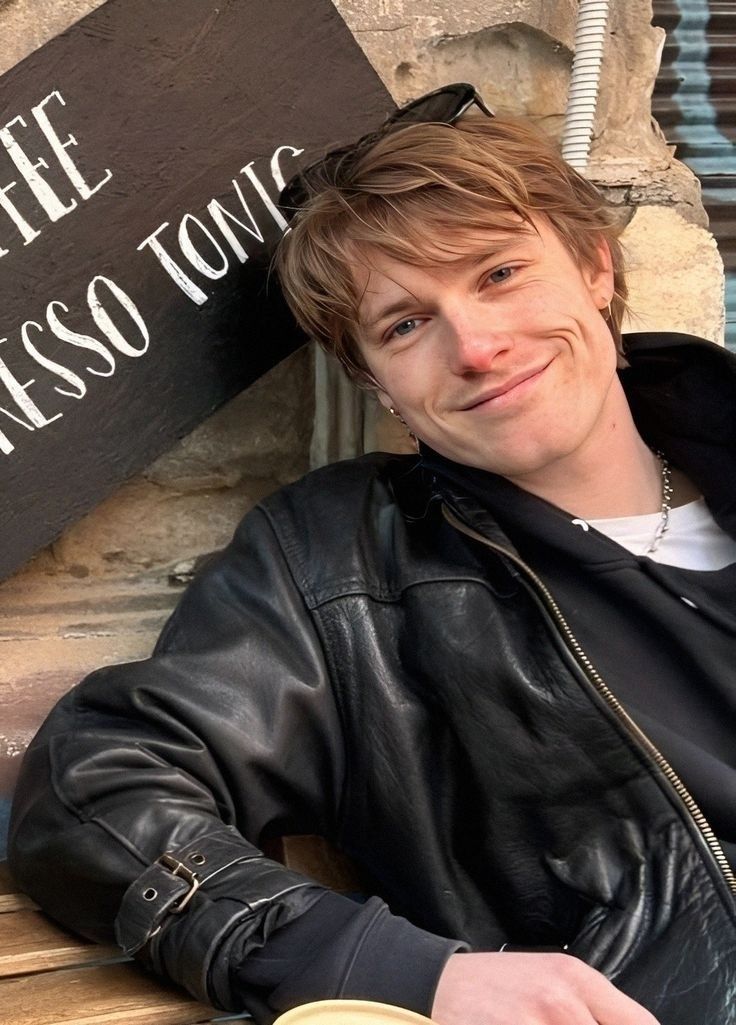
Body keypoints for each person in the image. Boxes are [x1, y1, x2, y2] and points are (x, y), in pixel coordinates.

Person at [9, 83, 736, 1025]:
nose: (476, 345)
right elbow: (95, 787)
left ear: (596, 265)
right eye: (404, 324)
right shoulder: (340, 565)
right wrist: (391, 968)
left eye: (500, 274)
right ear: (374, 381)